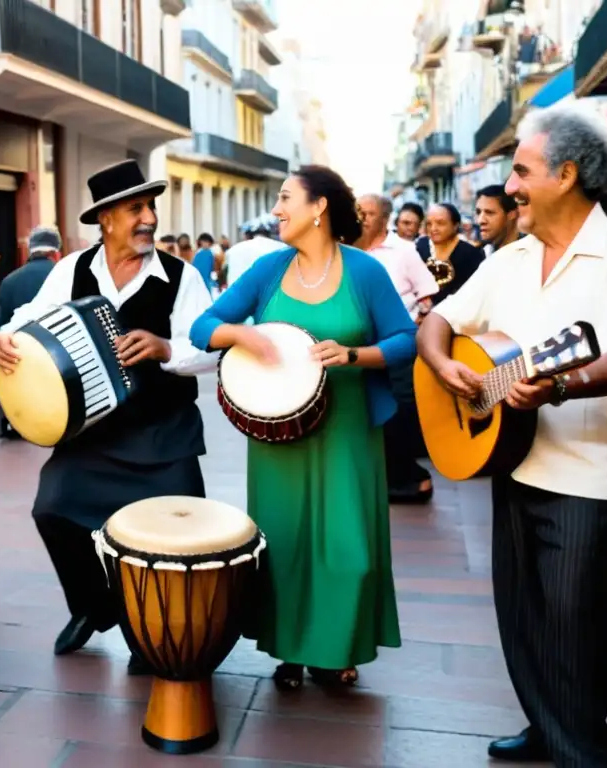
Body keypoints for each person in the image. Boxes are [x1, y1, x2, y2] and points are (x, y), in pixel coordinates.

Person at [416, 102, 607, 767]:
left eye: (521, 171)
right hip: (514, 456)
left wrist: (558, 385)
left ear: (567, 174)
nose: (511, 187)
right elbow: (439, 322)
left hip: (586, 469)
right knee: (522, 614)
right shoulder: (512, 258)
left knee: (573, 623)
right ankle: (544, 721)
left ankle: (582, 751)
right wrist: (445, 368)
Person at [189, 165, 416, 690]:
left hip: (349, 430)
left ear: (319, 209)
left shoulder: (364, 271)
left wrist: (355, 354)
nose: (276, 209)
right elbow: (203, 327)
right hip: (278, 437)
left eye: (286, 198)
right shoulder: (268, 270)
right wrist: (242, 337)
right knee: (284, 543)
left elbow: (405, 338)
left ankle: (335, 647)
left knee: (347, 547)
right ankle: (290, 648)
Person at [0, 160, 217, 669]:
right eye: (136, 208)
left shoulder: (181, 277)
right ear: (107, 219)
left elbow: (211, 351)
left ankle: (150, 630)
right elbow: (29, 318)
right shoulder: (71, 269)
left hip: (164, 434)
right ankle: (96, 606)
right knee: (52, 507)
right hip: (91, 435)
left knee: (174, 542)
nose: (149, 218)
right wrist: (5, 335)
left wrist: (165, 349)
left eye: (151, 207)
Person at [356, 193, 438, 504]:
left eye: (369, 212)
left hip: (396, 346)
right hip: (358, 348)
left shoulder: (404, 251)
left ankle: (406, 479)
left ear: (385, 218)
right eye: (359, 211)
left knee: (398, 413)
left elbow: (427, 294)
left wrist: (412, 326)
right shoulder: (346, 247)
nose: (362, 217)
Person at [0, 226, 63, 438]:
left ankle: (3, 420)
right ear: (55, 252)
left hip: (17, 352)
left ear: (29, 250)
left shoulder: (10, 281)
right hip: (54, 355)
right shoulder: (63, 276)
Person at [416, 202, 485, 304]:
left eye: (440, 223)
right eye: (429, 224)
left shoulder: (471, 254)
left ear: (455, 225)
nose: (433, 228)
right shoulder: (421, 246)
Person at [224, 214, 282, 288]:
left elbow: (225, 272)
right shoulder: (281, 248)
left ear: (248, 235)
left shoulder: (233, 250)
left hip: (235, 294)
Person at [474, 185, 520, 256]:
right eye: (478, 212)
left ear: (512, 214)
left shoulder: (532, 255)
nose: (480, 221)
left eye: (489, 212)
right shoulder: (481, 255)